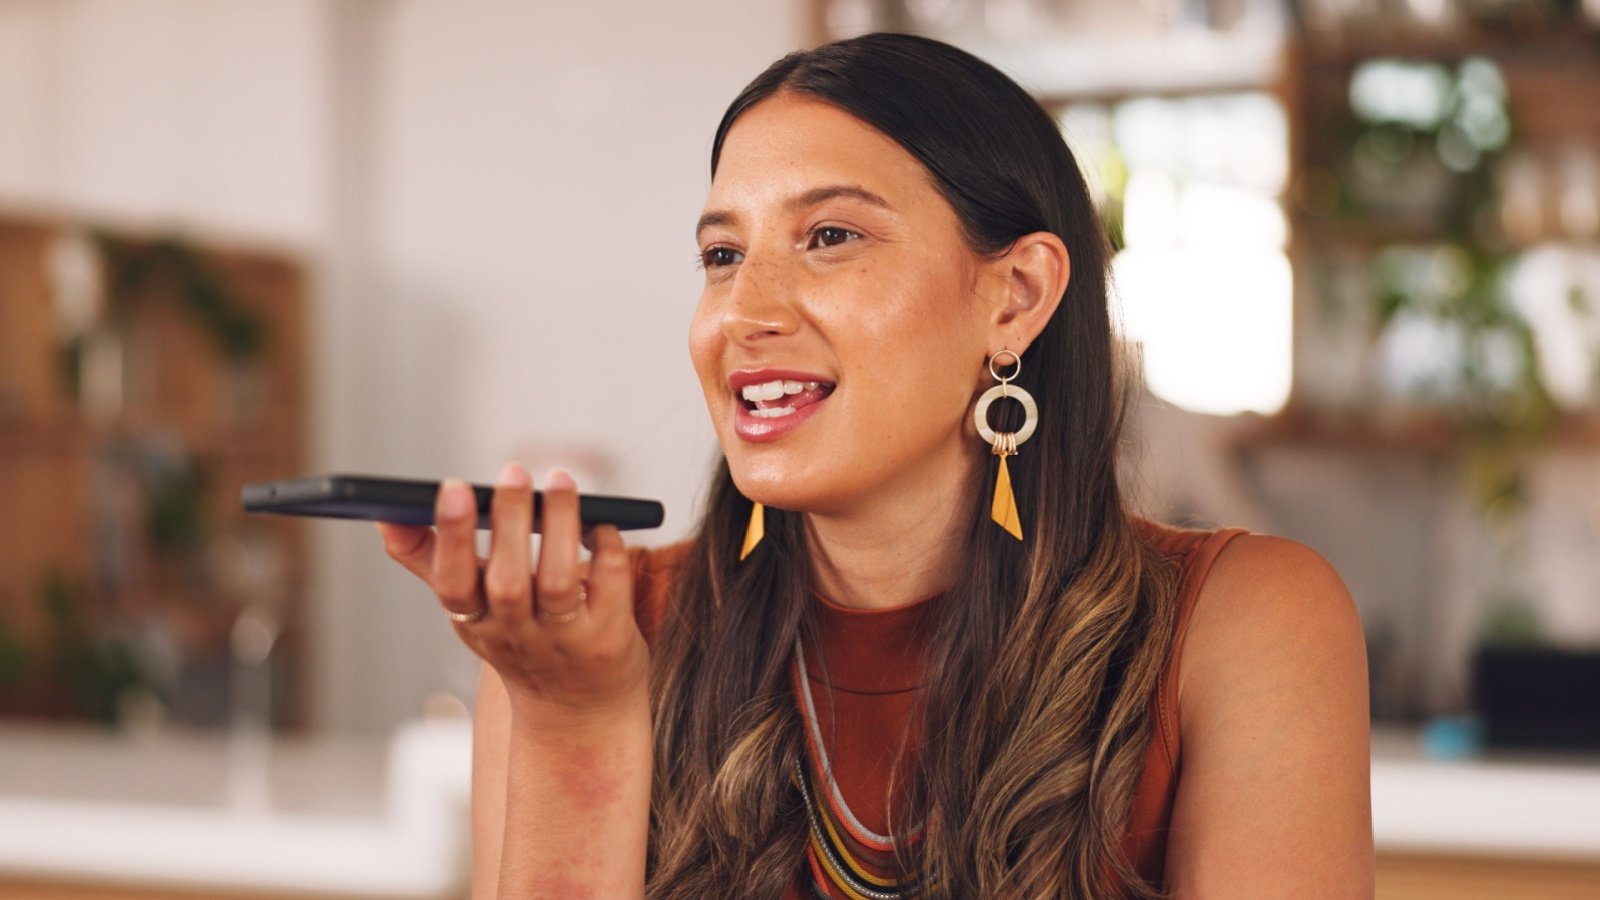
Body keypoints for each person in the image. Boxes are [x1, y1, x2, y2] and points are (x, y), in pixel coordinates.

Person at [377, 32, 1373, 899]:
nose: (745, 312)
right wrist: (573, 723)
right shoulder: (576, 647)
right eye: (721, 255)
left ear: (1015, 297)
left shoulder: (1241, 624)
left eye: (829, 237)